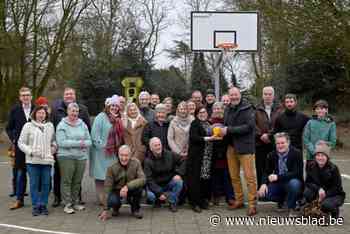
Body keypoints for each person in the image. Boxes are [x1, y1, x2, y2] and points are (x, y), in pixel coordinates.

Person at [51, 87, 91, 207]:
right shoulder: (56, 109)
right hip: (63, 152)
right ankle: (58, 198)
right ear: (64, 96)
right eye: (67, 94)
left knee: (76, 178)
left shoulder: (83, 109)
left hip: (79, 155)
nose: (69, 96)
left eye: (71, 94)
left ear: (75, 95)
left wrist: (83, 143)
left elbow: (87, 129)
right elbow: (53, 129)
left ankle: (76, 199)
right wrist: (80, 143)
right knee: (59, 175)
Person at [221, 87, 257, 216]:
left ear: (239, 95)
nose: (233, 97)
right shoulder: (227, 109)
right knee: (234, 177)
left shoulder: (248, 108)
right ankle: (239, 200)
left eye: (235, 95)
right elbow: (225, 125)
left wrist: (228, 130)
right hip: (231, 147)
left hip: (245, 147)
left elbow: (249, 127)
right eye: (231, 95)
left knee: (250, 178)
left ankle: (252, 204)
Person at [18, 106, 56, 216]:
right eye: (39, 113)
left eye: (43, 113)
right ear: (35, 114)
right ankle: (36, 206)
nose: (41, 115)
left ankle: (43, 205)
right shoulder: (28, 126)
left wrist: (54, 147)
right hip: (32, 161)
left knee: (46, 184)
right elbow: (21, 143)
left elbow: (53, 141)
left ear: (46, 115)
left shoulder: (50, 126)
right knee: (34, 184)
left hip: (46, 161)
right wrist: (30, 151)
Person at [257, 133, 303, 217]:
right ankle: (282, 200)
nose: (280, 145)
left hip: (292, 180)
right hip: (279, 182)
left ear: (288, 143)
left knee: (294, 185)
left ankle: (292, 206)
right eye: (278, 143)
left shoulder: (297, 153)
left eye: (283, 143)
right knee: (265, 194)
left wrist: (278, 177)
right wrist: (263, 184)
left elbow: (297, 173)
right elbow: (267, 171)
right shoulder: (272, 154)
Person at [90, 96, 124, 205]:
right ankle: (103, 200)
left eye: (116, 106)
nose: (114, 108)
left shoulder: (119, 119)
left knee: (111, 177)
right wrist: (104, 147)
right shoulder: (101, 117)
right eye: (112, 105)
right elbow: (95, 136)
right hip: (101, 153)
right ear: (108, 106)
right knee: (101, 177)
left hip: (114, 153)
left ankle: (110, 198)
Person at [98, 145, 146, 221]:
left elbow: (143, 179)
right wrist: (105, 209)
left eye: (126, 155)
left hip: (131, 188)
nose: (124, 158)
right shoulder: (111, 167)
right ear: (118, 154)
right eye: (121, 155)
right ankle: (115, 208)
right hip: (117, 190)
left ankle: (135, 209)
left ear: (130, 155)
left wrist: (127, 187)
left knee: (139, 189)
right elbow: (107, 188)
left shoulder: (136, 163)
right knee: (112, 200)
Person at [187, 106, 221, 213]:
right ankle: (195, 203)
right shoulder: (195, 123)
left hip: (207, 157)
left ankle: (203, 201)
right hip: (197, 157)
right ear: (196, 114)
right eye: (200, 112)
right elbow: (194, 137)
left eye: (204, 112)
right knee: (195, 180)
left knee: (205, 180)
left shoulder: (208, 124)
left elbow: (214, 136)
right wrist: (208, 138)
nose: (203, 114)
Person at [6, 87, 34, 210]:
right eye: (23, 95)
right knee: (20, 174)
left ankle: (37, 201)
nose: (25, 97)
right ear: (20, 97)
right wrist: (14, 139)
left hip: (35, 147)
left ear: (31, 96)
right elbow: (9, 128)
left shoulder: (37, 109)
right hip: (20, 148)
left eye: (27, 95)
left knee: (35, 175)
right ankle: (19, 200)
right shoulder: (15, 110)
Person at [303, 141, 345, 218]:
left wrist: (325, 194)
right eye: (318, 155)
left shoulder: (333, 168)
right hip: (318, 192)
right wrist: (319, 189)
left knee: (326, 205)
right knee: (307, 193)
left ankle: (335, 210)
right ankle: (317, 207)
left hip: (334, 194)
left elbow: (337, 188)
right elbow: (308, 182)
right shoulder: (311, 165)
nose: (320, 158)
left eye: (323, 155)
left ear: (327, 157)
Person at [144, 137, 185, 212]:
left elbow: (183, 161)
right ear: (151, 148)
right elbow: (149, 180)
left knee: (179, 182)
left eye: (159, 144)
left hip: (168, 182)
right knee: (150, 196)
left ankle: (172, 202)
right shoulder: (147, 161)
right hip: (155, 185)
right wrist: (159, 193)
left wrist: (179, 174)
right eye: (155, 145)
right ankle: (158, 200)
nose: (158, 147)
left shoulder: (170, 154)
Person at [255, 86, 283, 188]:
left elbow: (280, 125)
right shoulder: (256, 108)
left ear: (273, 95)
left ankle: (273, 189)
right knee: (260, 167)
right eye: (265, 94)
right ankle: (261, 189)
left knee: (275, 167)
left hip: (274, 143)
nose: (267, 96)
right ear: (262, 95)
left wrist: (269, 135)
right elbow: (253, 124)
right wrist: (261, 135)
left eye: (270, 94)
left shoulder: (280, 109)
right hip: (259, 143)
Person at [209, 102, 235, 206]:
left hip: (225, 149)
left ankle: (230, 197)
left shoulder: (226, 121)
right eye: (215, 108)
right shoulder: (209, 121)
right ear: (212, 110)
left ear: (223, 110)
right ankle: (216, 196)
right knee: (215, 175)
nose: (217, 110)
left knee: (227, 175)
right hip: (213, 150)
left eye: (219, 108)